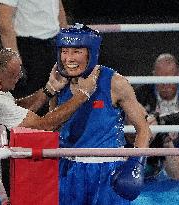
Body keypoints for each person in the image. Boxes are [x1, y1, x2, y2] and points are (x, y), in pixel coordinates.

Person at [0, 47, 100, 197]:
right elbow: (44, 125)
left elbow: (15, 107)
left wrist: (49, 89)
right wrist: (82, 95)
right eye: (15, 75)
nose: (21, 76)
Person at [49, 24, 151, 204]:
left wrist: (136, 165)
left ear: (91, 53)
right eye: (65, 51)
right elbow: (52, 126)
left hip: (108, 170)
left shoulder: (114, 82)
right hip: (68, 168)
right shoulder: (58, 81)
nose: (69, 58)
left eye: (76, 52)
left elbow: (143, 129)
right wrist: (50, 91)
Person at [0, 0, 68, 104]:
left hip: (53, 45)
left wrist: (66, 43)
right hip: (26, 49)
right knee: (27, 103)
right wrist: (14, 59)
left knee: (53, 100)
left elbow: (58, 7)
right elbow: (4, 23)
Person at [134, 53, 179, 180]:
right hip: (151, 154)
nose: (165, 84)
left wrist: (162, 121)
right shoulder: (140, 94)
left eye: (170, 78)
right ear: (153, 76)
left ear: (177, 75)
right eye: (161, 78)